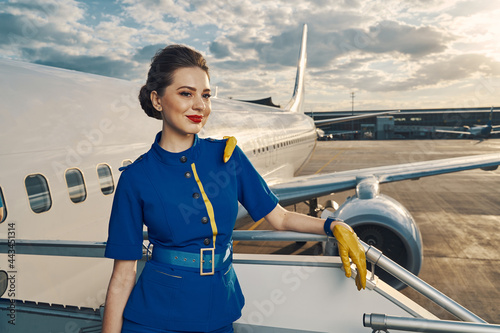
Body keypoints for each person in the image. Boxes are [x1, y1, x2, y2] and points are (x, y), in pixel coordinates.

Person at [101, 44, 366, 333]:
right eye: (185, 93)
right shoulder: (136, 178)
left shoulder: (227, 158)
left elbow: (280, 218)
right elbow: (123, 275)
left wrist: (334, 226)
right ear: (157, 100)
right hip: (154, 318)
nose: (200, 106)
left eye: (205, 95)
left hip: (219, 309)